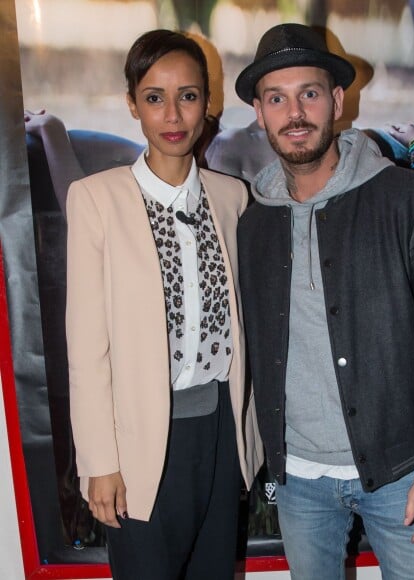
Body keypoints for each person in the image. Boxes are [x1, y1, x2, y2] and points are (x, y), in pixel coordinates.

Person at [235, 23, 414, 579]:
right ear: (259, 111)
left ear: (338, 101)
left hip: (403, 473)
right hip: (299, 482)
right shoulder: (253, 224)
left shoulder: (407, 200)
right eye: (277, 98)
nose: (294, 112)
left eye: (310, 93)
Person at [66, 29, 263, 579]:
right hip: (141, 444)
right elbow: (86, 351)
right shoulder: (96, 200)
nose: (173, 114)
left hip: (223, 435)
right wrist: (100, 464)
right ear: (133, 104)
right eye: (155, 97)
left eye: (189, 95)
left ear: (208, 101)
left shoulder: (232, 197)